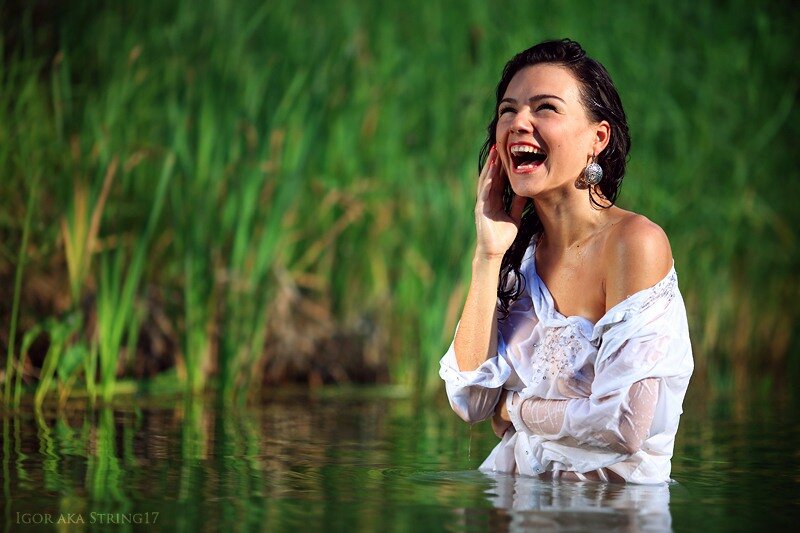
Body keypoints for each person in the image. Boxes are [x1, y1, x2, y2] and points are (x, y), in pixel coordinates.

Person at [439, 39, 693, 484]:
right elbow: (470, 402)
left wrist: (512, 408)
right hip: (514, 499)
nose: (519, 122)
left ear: (598, 138)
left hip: (614, 511)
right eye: (507, 110)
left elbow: (623, 424)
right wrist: (488, 254)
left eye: (545, 108)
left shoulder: (634, 244)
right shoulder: (518, 256)